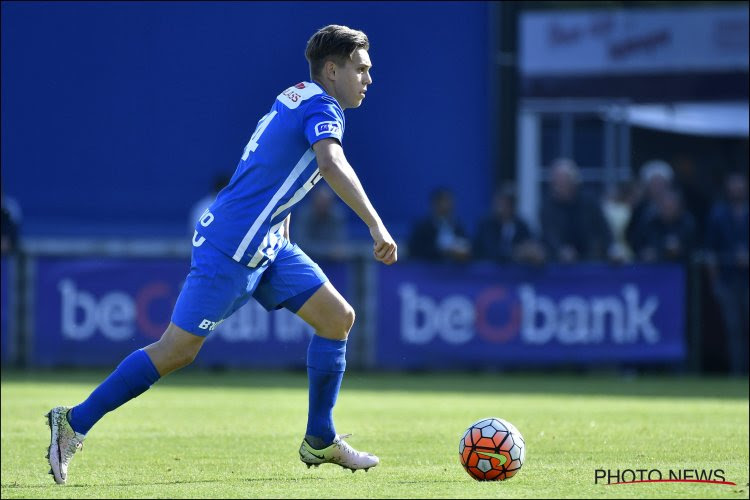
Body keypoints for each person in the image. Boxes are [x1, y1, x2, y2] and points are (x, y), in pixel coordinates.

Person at [45, 25, 396, 485]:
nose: (369, 79)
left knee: (337, 318)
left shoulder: (296, 96)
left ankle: (319, 439)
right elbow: (330, 164)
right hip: (230, 247)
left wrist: (282, 222)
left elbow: (270, 163)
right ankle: (73, 422)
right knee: (177, 350)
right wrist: (376, 224)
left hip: (267, 243)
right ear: (332, 70)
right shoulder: (321, 105)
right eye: (361, 69)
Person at [705, 172, 749, 375]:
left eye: (740, 185)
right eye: (733, 185)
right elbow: (710, 251)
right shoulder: (718, 214)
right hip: (728, 280)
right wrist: (716, 283)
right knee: (733, 329)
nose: (737, 189)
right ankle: (736, 372)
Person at [540, 158, 613, 262]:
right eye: (555, 182)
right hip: (559, 264)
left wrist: (608, 250)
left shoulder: (590, 203)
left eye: (561, 182)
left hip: (591, 261)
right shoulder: (547, 207)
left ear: (573, 182)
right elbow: (549, 236)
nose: (556, 186)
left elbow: (604, 231)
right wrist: (560, 250)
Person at [473, 184, 544, 265]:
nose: (502, 207)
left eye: (507, 203)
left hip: (515, 276)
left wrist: (533, 252)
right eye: (500, 202)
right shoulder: (486, 225)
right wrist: (516, 253)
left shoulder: (521, 226)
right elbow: (491, 252)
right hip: (487, 275)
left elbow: (530, 245)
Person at [408, 187, 471, 262]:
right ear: (434, 204)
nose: (445, 206)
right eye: (442, 202)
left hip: (455, 271)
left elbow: (467, 247)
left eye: (448, 202)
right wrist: (444, 251)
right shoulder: (422, 228)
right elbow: (415, 251)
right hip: (428, 271)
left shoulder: (458, 226)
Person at [293, 184, 349, 261]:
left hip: (331, 262)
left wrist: (333, 251)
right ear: (314, 200)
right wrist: (328, 251)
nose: (323, 203)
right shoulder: (304, 214)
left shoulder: (337, 214)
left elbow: (339, 244)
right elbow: (301, 244)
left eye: (326, 201)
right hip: (307, 259)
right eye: (321, 200)